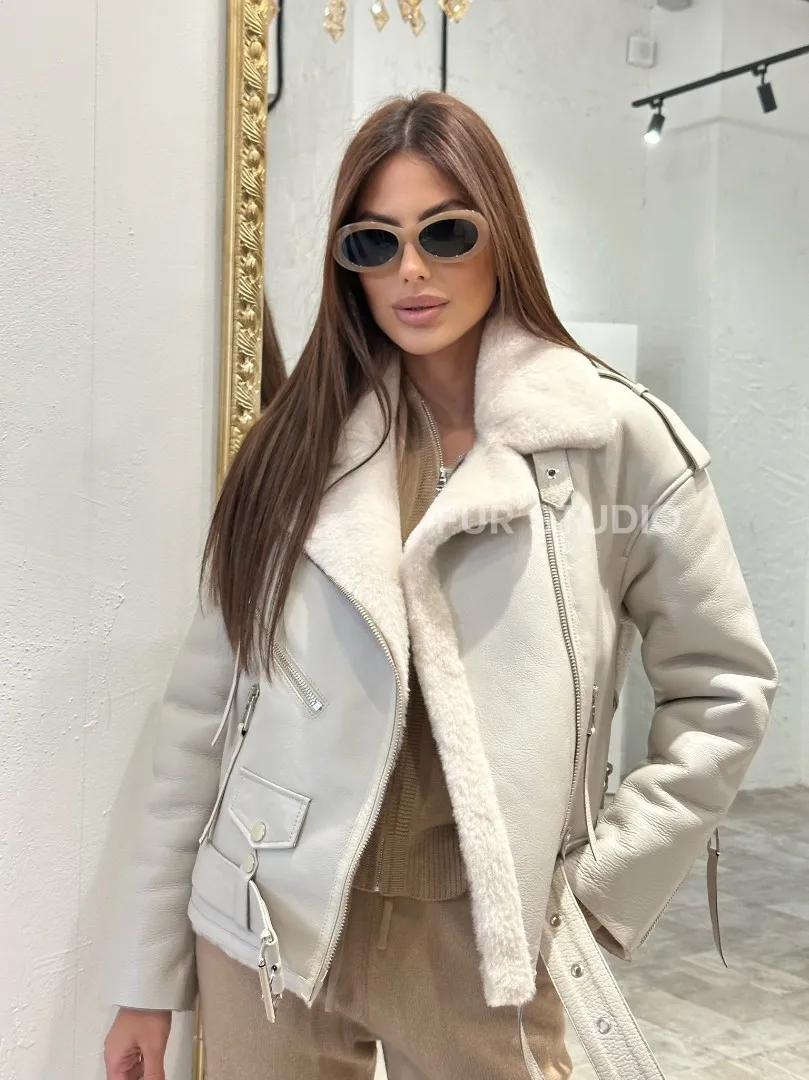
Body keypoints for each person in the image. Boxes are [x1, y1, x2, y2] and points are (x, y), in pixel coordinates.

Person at [102, 91, 777, 1080]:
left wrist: (598, 891)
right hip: (269, 934)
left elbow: (722, 689)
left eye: (445, 233)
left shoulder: (610, 440)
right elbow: (201, 718)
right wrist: (144, 980)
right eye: (373, 244)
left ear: (501, 236)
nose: (410, 270)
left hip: (483, 952)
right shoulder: (292, 446)